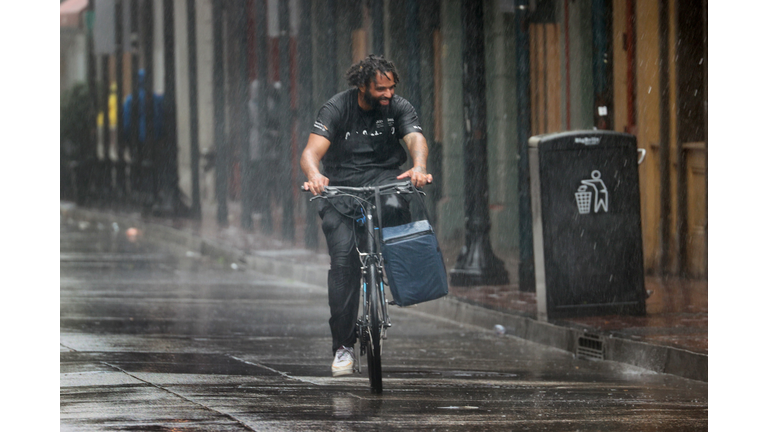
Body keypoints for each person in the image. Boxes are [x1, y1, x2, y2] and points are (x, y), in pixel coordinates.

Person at [300, 55, 433, 377]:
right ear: (362, 86)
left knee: (399, 207)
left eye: (391, 87)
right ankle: (343, 347)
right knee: (343, 261)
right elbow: (310, 152)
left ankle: (399, 271)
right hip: (340, 187)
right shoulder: (336, 108)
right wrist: (315, 175)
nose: (388, 94)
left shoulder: (399, 107)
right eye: (380, 89)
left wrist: (419, 166)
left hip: (384, 180)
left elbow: (415, 138)